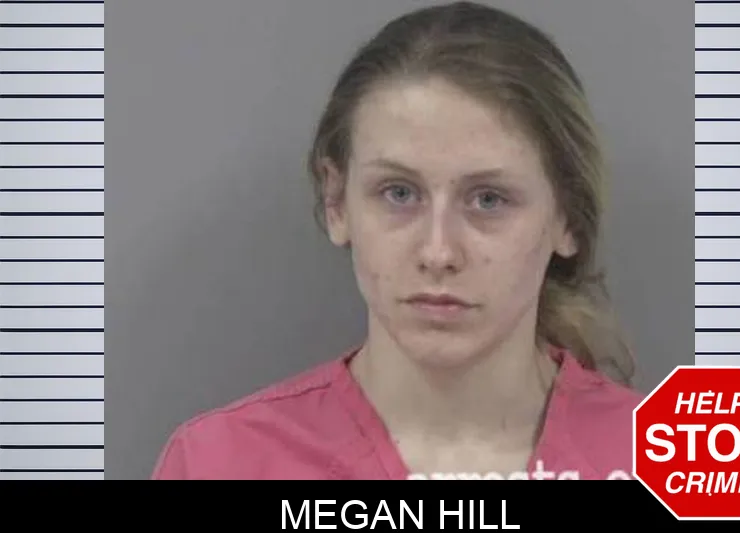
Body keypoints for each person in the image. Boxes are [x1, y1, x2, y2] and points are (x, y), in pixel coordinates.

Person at [151, 0, 645, 481]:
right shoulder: (220, 464)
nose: (438, 253)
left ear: (567, 218)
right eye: (399, 193)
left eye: (488, 199)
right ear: (336, 201)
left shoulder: (672, 460)